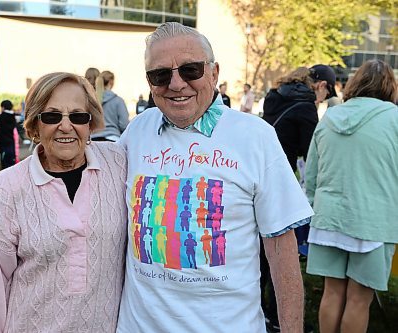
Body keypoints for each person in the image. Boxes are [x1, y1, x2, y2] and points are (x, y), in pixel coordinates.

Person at [116, 22, 313, 332]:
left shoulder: (256, 137)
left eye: (190, 70)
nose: (176, 84)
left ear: (214, 72)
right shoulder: (136, 132)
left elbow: (281, 253)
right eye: (161, 75)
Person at [0, 72, 128, 332]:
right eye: (52, 116)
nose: (66, 126)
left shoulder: (119, 164)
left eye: (78, 116)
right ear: (35, 125)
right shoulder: (9, 186)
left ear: (91, 124)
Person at [305, 59, 397, 333]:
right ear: (390, 87)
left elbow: (312, 173)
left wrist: (312, 206)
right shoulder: (394, 118)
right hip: (373, 221)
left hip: (329, 218)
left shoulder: (330, 117)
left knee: (331, 293)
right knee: (359, 300)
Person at [260, 64, 336, 331]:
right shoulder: (305, 108)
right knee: (280, 252)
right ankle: (279, 318)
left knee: (258, 251)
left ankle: (261, 311)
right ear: (321, 86)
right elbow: (310, 151)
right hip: (280, 179)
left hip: (258, 175)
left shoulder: (274, 97)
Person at [90, 71, 129, 142]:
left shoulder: (92, 101)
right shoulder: (118, 100)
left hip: (93, 140)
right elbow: (124, 125)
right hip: (113, 138)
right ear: (111, 82)